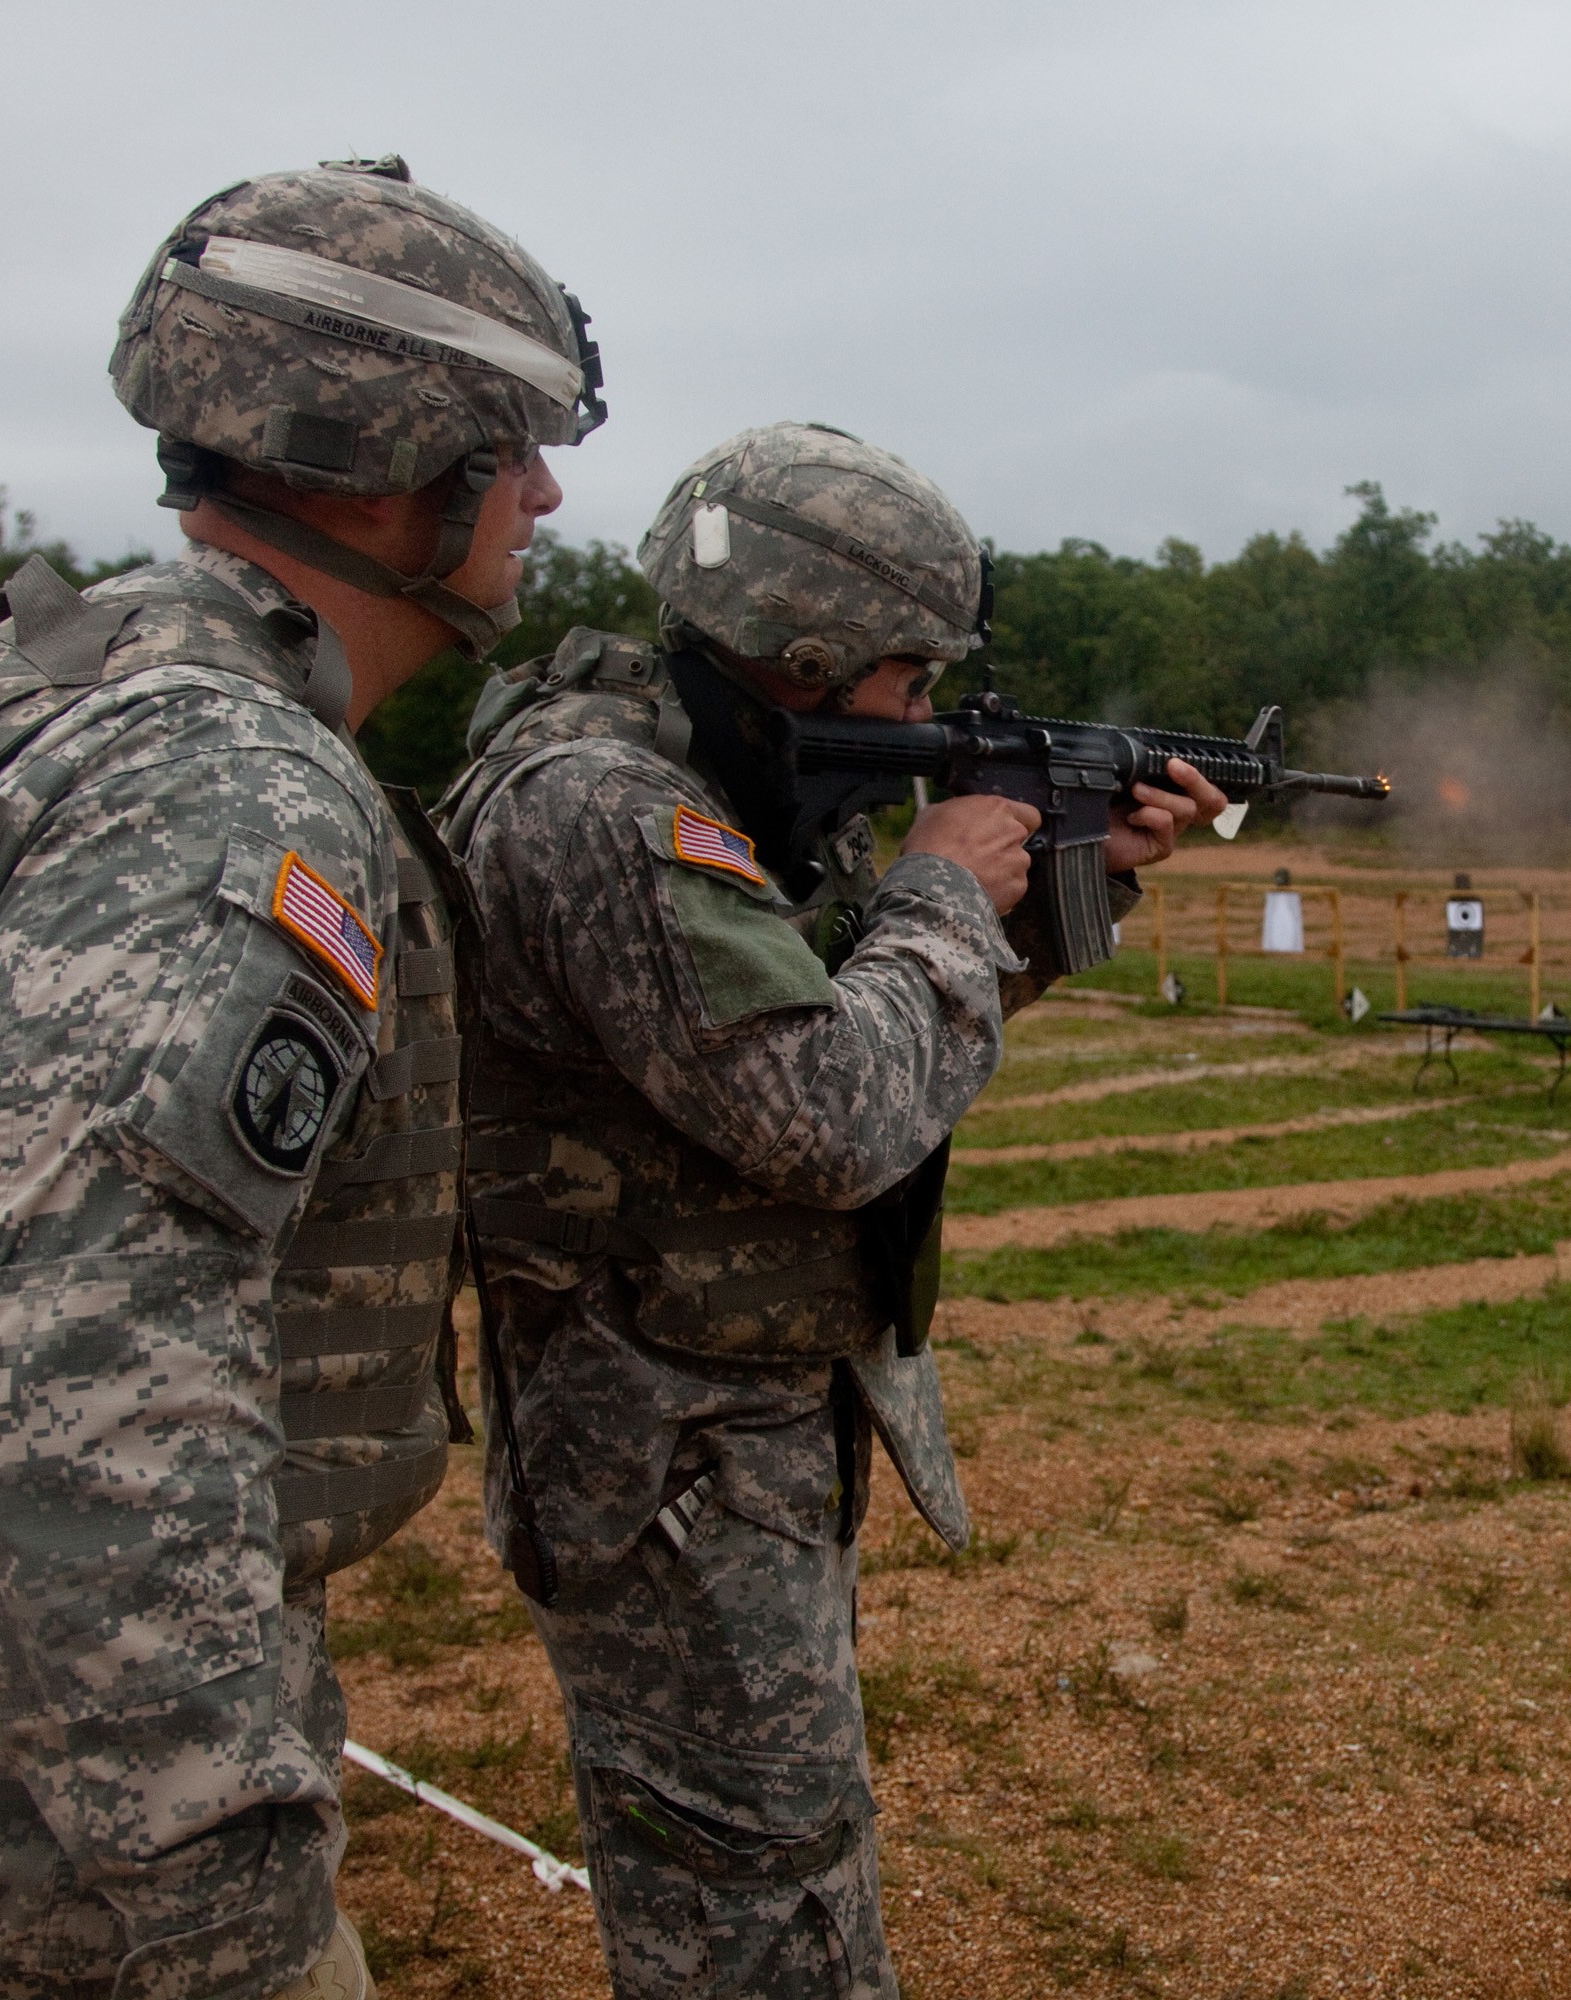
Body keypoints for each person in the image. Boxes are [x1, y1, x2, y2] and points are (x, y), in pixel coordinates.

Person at [0, 158, 602, 2000]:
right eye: (511, 444)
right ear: (396, 456)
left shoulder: (7, 684)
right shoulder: (217, 787)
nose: (543, 493)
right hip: (57, 1867)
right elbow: (79, 1400)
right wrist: (226, 1905)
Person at [437, 422, 1225, 1998]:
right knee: (759, 1902)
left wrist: (1081, 879)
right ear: (806, 653)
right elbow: (834, 1117)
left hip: (727, 1426)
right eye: (911, 683)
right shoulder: (612, 809)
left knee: (779, 1856)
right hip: (663, 1447)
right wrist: (941, 888)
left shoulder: (713, 783)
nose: (927, 722)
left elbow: (881, 1037)